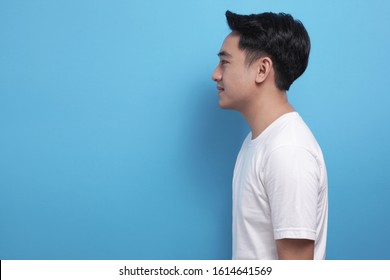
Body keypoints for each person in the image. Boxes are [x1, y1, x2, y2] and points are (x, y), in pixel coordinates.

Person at [212, 11, 328, 260]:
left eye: (225, 62)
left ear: (262, 70)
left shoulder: (287, 151)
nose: (216, 74)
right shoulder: (260, 140)